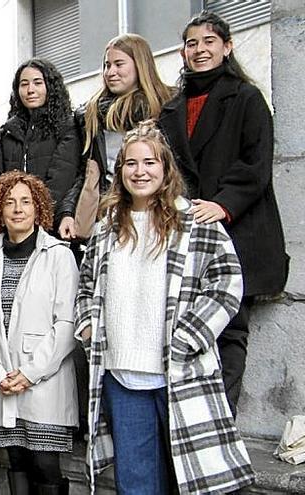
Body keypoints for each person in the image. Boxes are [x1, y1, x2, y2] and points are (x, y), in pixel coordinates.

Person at [75, 122, 254, 494]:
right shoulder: (107, 228)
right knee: (136, 484)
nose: (140, 172)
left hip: (178, 372)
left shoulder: (195, 221)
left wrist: (189, 336)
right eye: (130, 164)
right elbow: (87, 284)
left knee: (192, 481)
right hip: (122, 374)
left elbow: (227, 283)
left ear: (165, 168)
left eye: (149, 162)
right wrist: (89, 325)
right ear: (119, 171)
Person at [158, 11, 288, 416]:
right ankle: (190, 417)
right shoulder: (171, 109)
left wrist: (223, 204)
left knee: (231, 330)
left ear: (227, 47)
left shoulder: (247, 98)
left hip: (237, 230)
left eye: (208, 42)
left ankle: (221, 418)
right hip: (187, 234)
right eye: (192, 43)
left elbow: (256, 164)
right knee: (190, 329)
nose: (200, 50)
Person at [0, 171, 79, 494]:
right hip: (1, 381)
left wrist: (29, 373)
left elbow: (66, 325)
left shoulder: (58, 255)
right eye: (10, 202)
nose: (18, 209)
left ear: (38, 208)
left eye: (26, 202)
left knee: (44, 464)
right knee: (15, 461)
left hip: (44, 381)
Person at [57, 34, 174, 241]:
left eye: (119, 64)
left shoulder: (167, 108)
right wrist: (67, 212)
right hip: (107, 214)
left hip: (157, 214)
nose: (111, 72)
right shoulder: (90, 115)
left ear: (140, 65)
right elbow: (86, 172)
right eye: (107, 65)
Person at [0, 59, 79, 224]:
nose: (30, 90)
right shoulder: (9, 131)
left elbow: (61, 179)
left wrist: (35, 217)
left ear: (50, 87)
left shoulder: (66, 126)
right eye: (24, 84)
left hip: (49, 223)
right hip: (11, 223)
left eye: (38, 83)